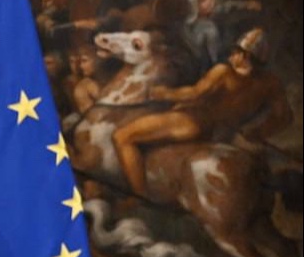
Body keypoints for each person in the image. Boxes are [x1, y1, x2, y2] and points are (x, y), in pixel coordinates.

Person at [112, 27, 290, 196]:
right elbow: (284, 117)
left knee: (122, 136)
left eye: (236, 51)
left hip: (195, 122)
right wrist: (257, 131)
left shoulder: (223, 72)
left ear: (245, 56)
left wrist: (163, 93)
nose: (231, 54)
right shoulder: (271, 83)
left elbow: (194, 93)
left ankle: (139, 197)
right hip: (225, 134)